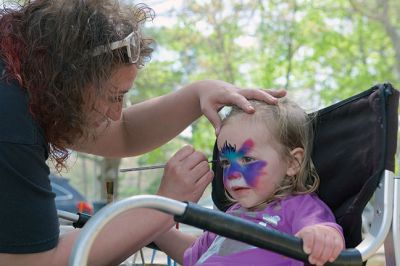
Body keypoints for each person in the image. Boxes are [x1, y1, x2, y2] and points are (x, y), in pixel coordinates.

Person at [0, 0, 286, 265]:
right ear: (68, 82)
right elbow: (31, 261)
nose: (116, 112)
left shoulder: (32, 82)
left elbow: (124, 133)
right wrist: (165, 203)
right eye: (113, 96)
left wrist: (199, 93)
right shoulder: (10, 120)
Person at [154, 98, 345, 266]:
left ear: (292, 162)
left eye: (247, 160)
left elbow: (322, 230)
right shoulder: (231, 215)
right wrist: (154, 224)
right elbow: (193, 254)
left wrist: (322, 236)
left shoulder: (298, 207)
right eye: (226, 162)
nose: (232, 174)